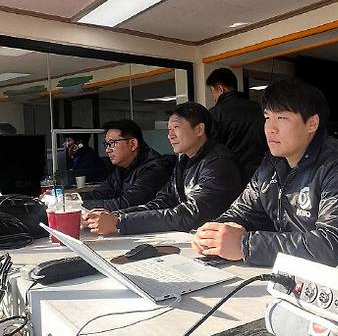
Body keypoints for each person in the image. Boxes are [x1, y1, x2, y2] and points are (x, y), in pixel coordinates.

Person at [192, 78, 338, 266]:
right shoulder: (271, 164)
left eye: (282, 118)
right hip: (294, 270)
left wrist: (246, 246)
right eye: (267, 118)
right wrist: (213, 235)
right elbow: (241, 212)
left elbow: (330, 245)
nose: (270, 128)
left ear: (312, 123)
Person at [86, 102, 241, 236]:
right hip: (191, 237)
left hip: (214, 242)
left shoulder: (219, 163)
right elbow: (163, 201)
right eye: (169, 129)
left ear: (199, 129)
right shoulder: (184, 161)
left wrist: (120, 222)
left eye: (176, 127)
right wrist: (115, 215)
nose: (170, 136)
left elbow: (191, 214)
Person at [81, 119, 170, 212]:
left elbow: (126, 204)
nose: (107, 150)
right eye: (106, 144)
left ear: (133, 144)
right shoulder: (122, 167)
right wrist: (74, 200)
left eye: (112, 143)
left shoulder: (155, 168)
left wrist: (79, 205)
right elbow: (100, 194)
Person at [206, 67, 266, 184]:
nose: (214, 97)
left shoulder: (215, 114)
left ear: (220, 89)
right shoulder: (258, 108)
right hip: (261, 173)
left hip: (230, 175)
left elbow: (210, 150)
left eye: (213, 91)